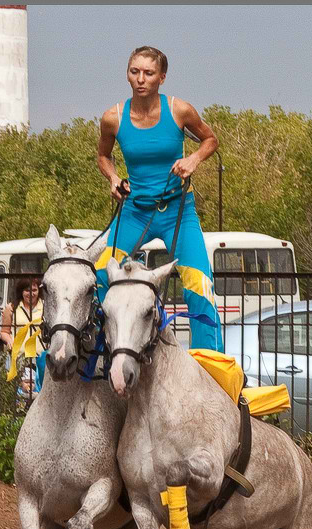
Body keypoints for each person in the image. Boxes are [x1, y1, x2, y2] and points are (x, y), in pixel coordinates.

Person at [95, 45, 224, 352]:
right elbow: (103, 156)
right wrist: (114, 179)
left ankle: (211, 363)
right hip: (135, 212)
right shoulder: (112, 117)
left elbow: (211, 140)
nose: (140, 79)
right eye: (134, 71)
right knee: (100, 275)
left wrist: (192, 160)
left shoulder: (179, 110)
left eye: (148, 73)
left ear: (162, 77)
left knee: (199, 285)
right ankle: (99, 355)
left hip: (178, 211)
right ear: (127, 74)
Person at [0, 276, 45, 404]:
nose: (31, 294)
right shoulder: (12, 308)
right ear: (21, 291)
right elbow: (4, 332)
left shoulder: (46, 307)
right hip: (20, 359)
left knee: (41, 396)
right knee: (20, 398)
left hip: (40, 358)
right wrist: (9, 340)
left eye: (34, 290)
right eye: (27, 290)